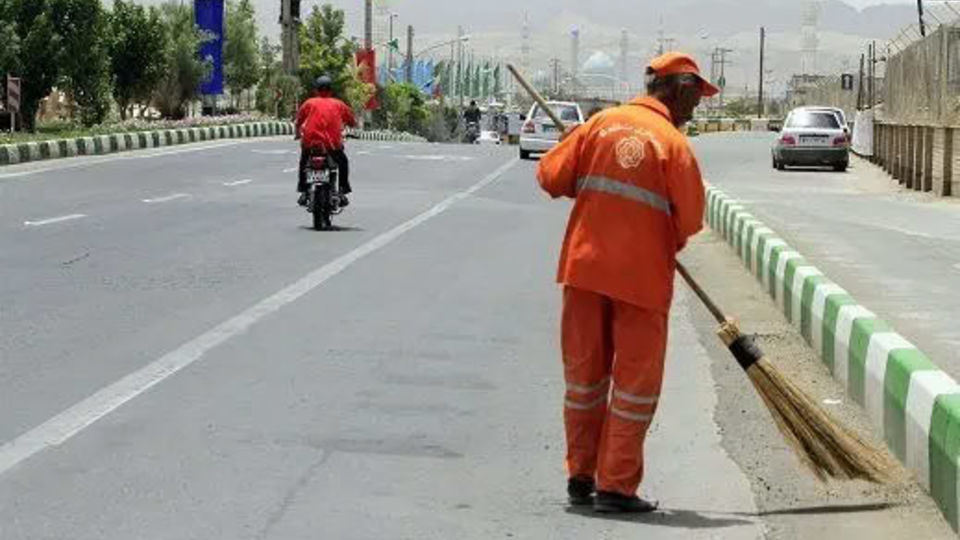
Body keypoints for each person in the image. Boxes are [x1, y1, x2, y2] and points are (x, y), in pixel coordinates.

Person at [536, 52, 719, 514]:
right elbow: (692, 220)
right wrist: (660, 238)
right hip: (641, 281)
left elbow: (550, 178)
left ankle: (581, 475)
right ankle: (615, 486)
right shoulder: (673, 145)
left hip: (584, 271)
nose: (697, 106)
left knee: (585, 380)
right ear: (676, 88)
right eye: (696, 95)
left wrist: (579, 162)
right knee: (635, 387)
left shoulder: (600, 125)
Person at [295, 75, 357, 207]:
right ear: (331, 90)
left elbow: (298, 121)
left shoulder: (309, 103)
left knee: (304, 162)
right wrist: (349, 126)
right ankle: (342, 190)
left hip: (310, 142)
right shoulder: (339, 104)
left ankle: (304, 190)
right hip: (332, 144)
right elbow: (352, 121)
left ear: (316, 90)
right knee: (343, 162)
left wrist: (297, 134)